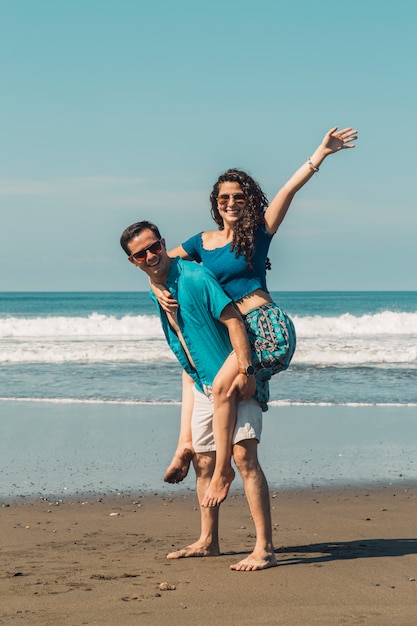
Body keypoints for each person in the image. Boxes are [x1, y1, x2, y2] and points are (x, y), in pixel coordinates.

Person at [155, 126, 358, 508]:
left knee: (223, 388)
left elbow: (288, 191)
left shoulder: (259, 232)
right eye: (224, 198)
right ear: (215, 203)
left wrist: (322, 152)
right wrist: (159, 291)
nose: (231, 203)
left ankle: (223, 471)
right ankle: (188, 446)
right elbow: (160, 264)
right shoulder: (201, 242)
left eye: (238, 197)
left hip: (267, 328)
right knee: (193, 371)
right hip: (236, 334)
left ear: (248, 202)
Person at [120, 220, 277, 571]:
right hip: (202, 381)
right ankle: (209, 541)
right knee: (204, 462)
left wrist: (247, 372)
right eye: (141, 254)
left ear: (163, 243)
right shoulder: (156, 286)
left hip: (234, 376)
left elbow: (235, 321)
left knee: (243, 456)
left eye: (154, 247)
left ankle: (265, 548)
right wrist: (152, 280)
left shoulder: (194, 277)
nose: (150, 256)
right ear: (133, 261)